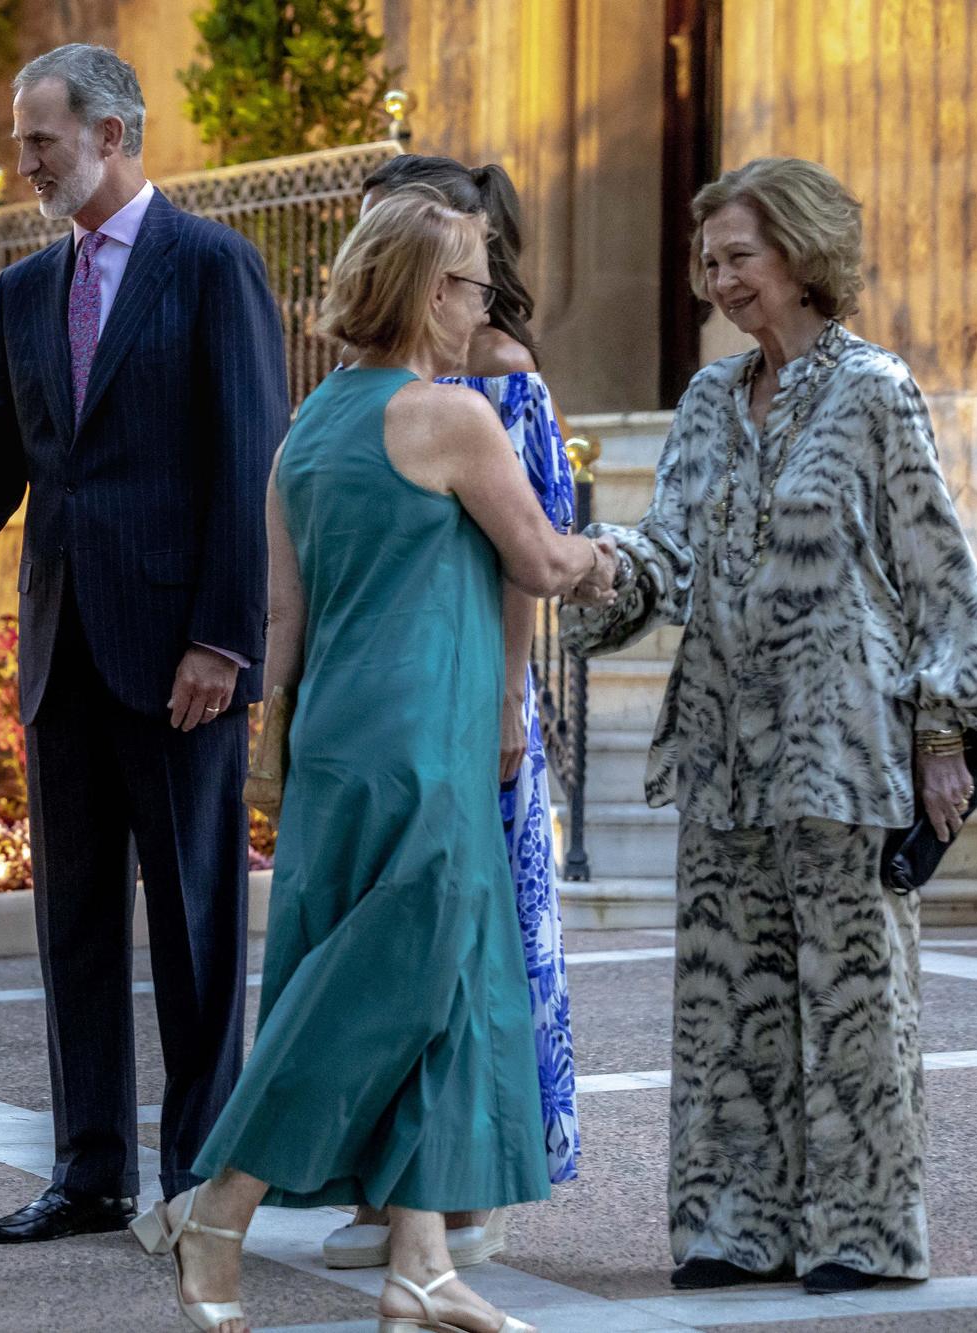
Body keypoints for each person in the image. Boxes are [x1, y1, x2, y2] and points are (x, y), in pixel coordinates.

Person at [134, 191, 614, 1333]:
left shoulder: (309, 424)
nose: (481, 308)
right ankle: (218, 1214)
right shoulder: (447, 418)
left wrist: (278, 749)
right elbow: (540, 560)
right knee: (368, 992)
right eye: (467, 285)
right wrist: (611, 560)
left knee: (439, 990)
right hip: (422, 746)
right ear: (418, 290)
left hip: (338, 746)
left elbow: (281, 618)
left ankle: (421, 1263)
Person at [564, 156, 977, 1296]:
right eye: (706, 263)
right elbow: (663, 546)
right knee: (721, 991)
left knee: (853, 995)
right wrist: (597, 573)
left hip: (843, 743)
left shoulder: (875, 391)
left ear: (800, 256)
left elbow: (939, 575)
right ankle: (731, 1221)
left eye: (735, 259)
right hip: (721, 742)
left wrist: (944, 734)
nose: (716, 282)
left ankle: (862, 1231)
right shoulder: (707, 399)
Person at [0, 43, 291, 1244]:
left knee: (196, 925)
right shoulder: (22, 290)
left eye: (40, 142)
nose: (20, 165)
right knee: (70, 926)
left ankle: (198, 1176)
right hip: (60, 654)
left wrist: (222, 637)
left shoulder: (214, 267)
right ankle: (89, 1170)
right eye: (20, 143)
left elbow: (245, 461)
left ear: (114, 135)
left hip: (180, 663)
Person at [319, 155, 580, 1273]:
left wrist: (507, 704)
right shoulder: (374, 381)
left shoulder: (500, 374)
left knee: (482, 944)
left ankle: (471, 1189)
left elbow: (526, 554)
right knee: (388, 936)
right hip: (394, 698)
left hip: (475, 687)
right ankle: (390, 1189)